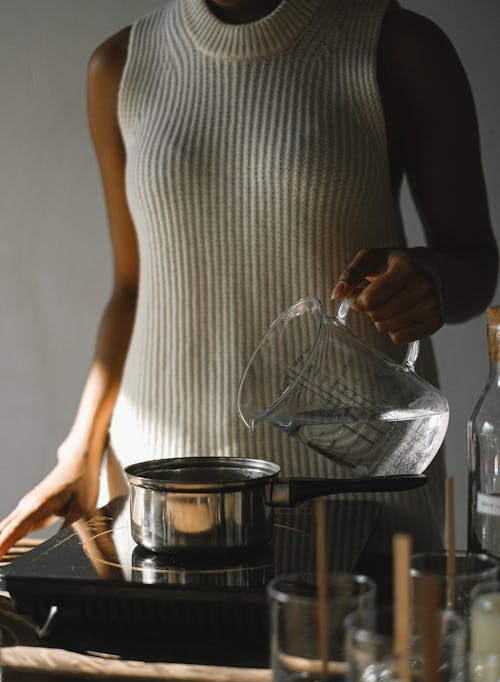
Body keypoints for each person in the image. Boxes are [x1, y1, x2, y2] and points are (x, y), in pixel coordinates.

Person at [0, 0, 497, 560]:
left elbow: (476, 262)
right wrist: (78, 453)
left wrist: (433, 280)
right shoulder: (121, 66)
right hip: (166, 501)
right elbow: (134, 290)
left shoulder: (397, 47)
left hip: (362, 489)